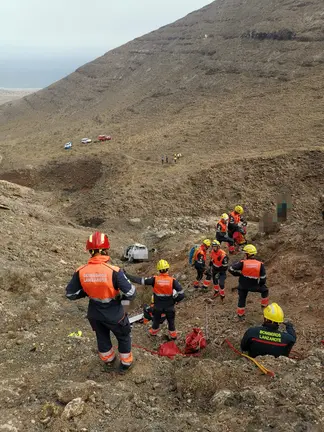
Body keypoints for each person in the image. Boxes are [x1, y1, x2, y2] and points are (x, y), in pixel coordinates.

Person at [66, 231, 136, 373]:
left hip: (95, 314)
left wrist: (87, 290)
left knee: (102, 337)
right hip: (115, 314)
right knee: (123, 337)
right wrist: (121, 299)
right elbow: (131, 293)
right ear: (106, 250)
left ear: (90, 251)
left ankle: (108, 360)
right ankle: (125, 364)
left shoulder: (81, 271)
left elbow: (70, 294)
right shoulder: (114, 271)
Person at [125, 260, 184, 340]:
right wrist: (175, 300)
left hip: (158, 307)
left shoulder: (155, 279)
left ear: (158, 269)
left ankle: (153, 332)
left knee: (156, 320)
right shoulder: (172, 280)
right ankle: (173, 336)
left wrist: (126, 275)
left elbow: (140, 280)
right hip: (169, 306)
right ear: (168, 268)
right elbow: (181, 294)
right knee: (171, 322)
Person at [229, 244, 269, 319]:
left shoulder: (243, 262)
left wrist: (238, 274)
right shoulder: (260, 264)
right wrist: (261, 284)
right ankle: (264, 307)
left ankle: (240, 315)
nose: (244, 255)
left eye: (245, 254)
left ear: (248, 254)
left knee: (242, 298)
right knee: (265, 290)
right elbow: (263, 278)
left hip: (243, 285)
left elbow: (231, 269)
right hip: (254, 286)